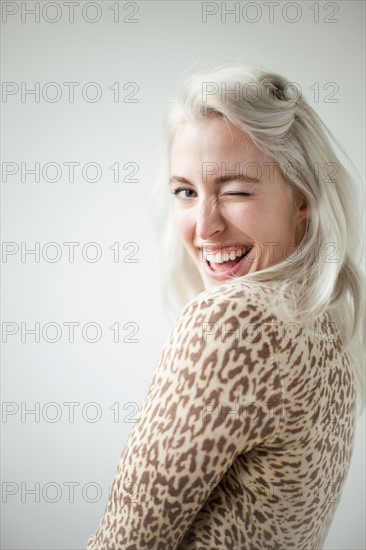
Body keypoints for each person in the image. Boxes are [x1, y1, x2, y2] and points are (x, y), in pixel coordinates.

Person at [86, 63, 365, 549]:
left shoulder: (234, 321)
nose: (205, 225)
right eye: (186, 192)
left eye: (235, 191)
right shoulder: (326, 324)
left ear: (302, 198)